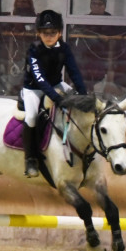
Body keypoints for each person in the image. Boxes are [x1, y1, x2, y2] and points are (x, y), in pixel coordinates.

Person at [21, 9, 87, 177]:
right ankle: (30, 159)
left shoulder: (64, 48)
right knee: (31, 117)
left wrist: (83, 93)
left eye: (52, 33)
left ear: (59, 33)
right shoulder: (33, 50)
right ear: (38, 33)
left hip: (56, 84)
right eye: (44, 33)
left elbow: (74, 72)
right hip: (33, 89)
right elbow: (40, 79)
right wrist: (56, 97)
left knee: (78, 101)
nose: (49, 36)